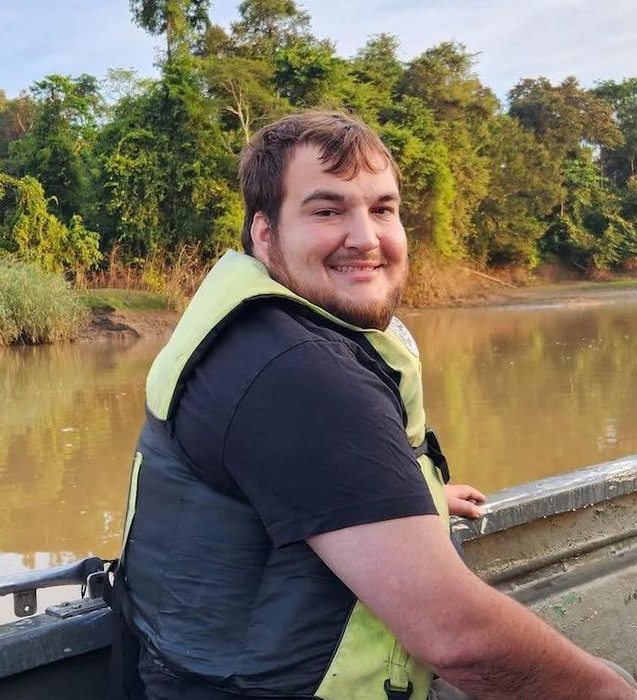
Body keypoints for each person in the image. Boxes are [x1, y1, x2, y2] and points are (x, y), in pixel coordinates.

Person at [108, 111, 637, 699]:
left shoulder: (258, 337)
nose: (366, 238)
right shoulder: (297, 374)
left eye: (382, 209)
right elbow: (458, 637)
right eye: (328, 210)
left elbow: (298, 483)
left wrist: (414, 494)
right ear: (264, 232)